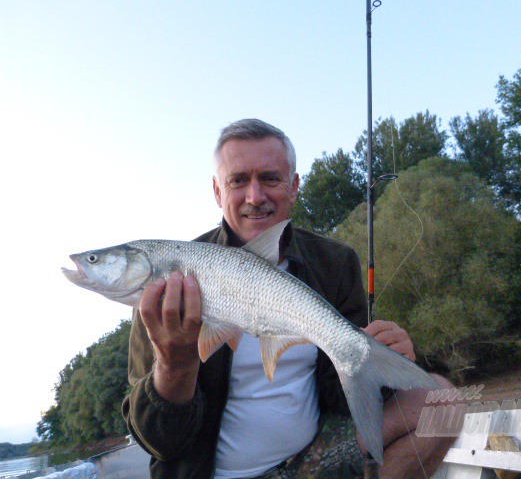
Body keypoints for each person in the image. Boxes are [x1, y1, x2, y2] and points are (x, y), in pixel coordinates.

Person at [123, 119, 457, 478]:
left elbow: (336, 396)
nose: (255, 197)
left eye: (270, 178)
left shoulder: (335, 262)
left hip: (310, 462)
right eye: (238, 181)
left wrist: (382, 358)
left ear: (294, 186)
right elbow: (160, 443)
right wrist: (175, 365)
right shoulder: (167, 288)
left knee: (443, 402)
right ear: (218, 192)